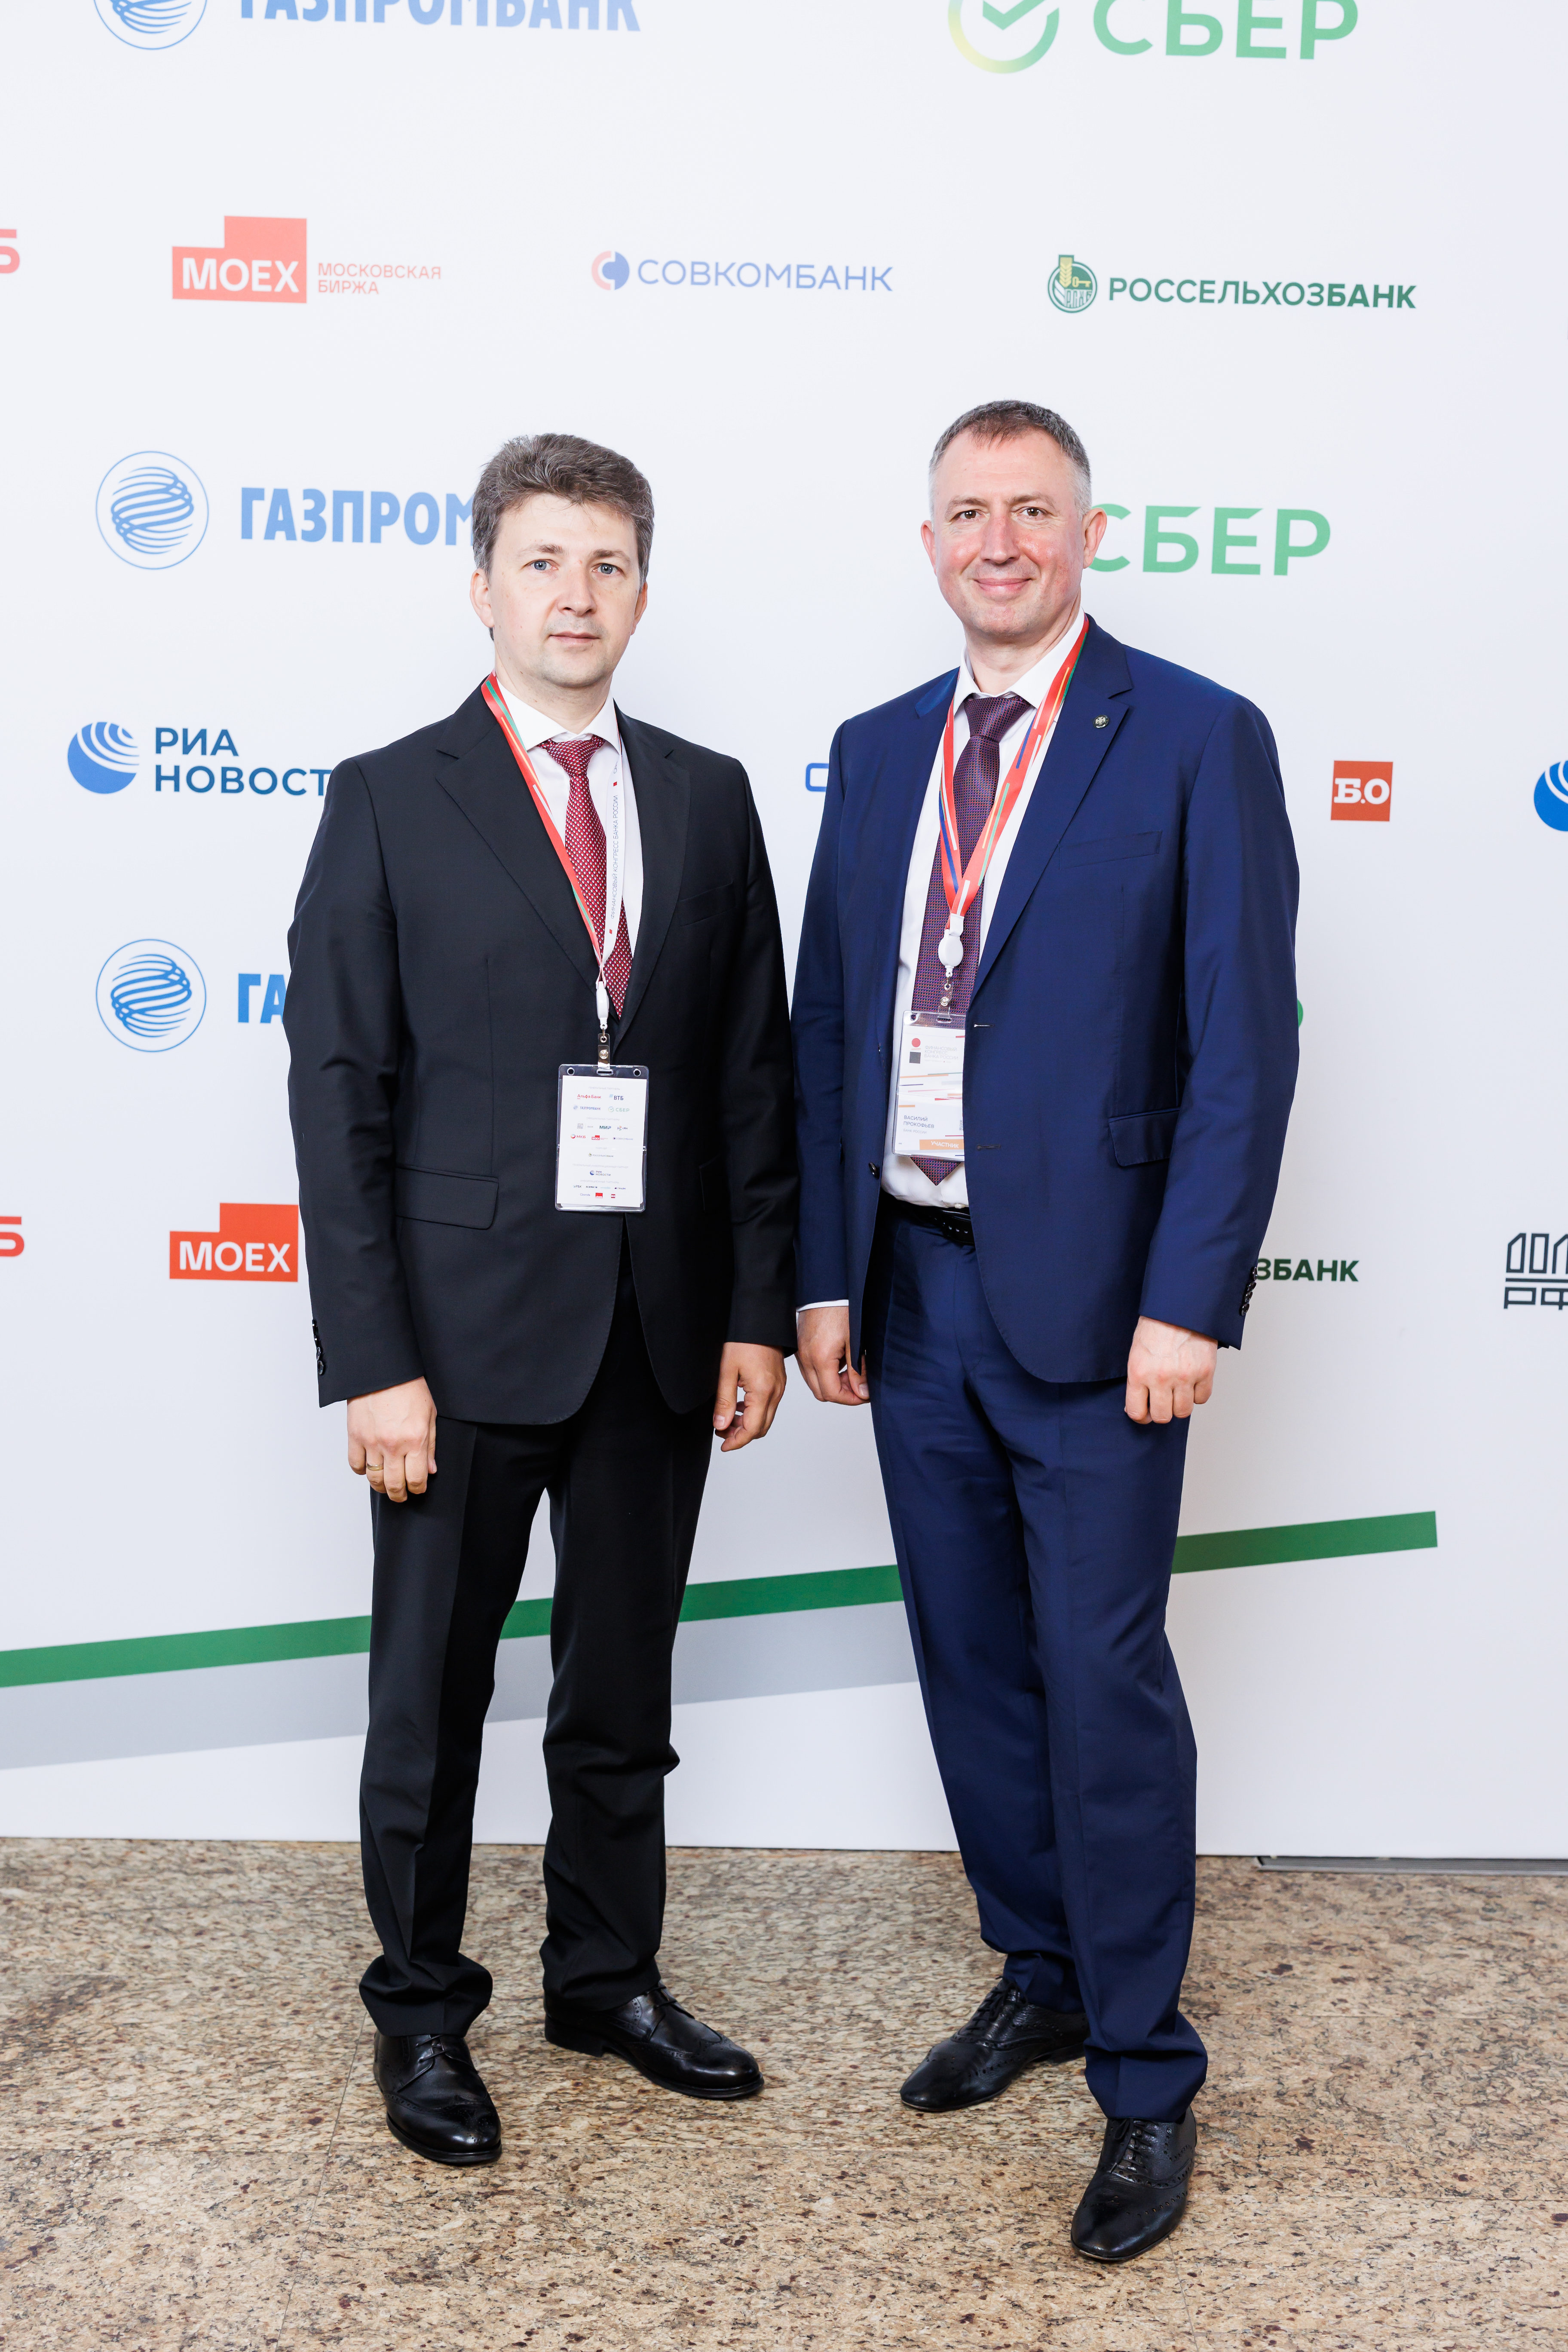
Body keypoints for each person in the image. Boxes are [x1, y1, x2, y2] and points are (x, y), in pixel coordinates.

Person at [791, 400, 1298, 2262]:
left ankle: (1147, 2076)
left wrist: (1189, 1296)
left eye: (1030, 509)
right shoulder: (877, 748)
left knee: (1102, 1681)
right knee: (974, 1664)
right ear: (928, 540)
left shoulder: (1194, 735)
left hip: (1099, 1306)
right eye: (965, 512)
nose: (996, 540)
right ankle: (1043, 1970)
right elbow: (831, 1023)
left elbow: (1244, 1047)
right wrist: (823, 1278)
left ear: (1089, 533)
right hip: (913, 1289)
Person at [285, 432, 797, 2165]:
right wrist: (374, 1362)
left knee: (622, 1690)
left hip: (656, 1330)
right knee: (430, 1704)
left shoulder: (712, 798)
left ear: (643, 591)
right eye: (543, 561)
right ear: (483, 585)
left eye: (608, 564)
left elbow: (750, 1080)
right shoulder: (388, 795)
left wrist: (753, 1310)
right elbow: (339, 1095)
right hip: (455, 1346)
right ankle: (423, 2011)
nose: (576, 596)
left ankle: (607, 1978)